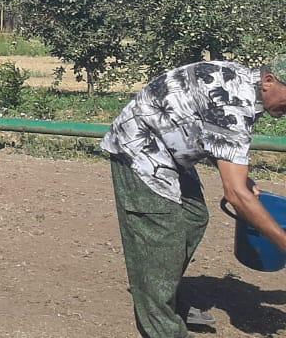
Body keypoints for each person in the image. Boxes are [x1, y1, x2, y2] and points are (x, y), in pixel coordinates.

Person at [102, 60, 286, 337]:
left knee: (194, 217)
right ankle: (163, 324)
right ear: (269, 81)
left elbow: (209, 125)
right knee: (162, 233)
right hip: (139, 146)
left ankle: (166, 297)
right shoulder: (235, 104)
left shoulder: (246, 82)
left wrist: (241, 181)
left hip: (169, 147)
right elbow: (235, 195)